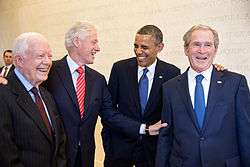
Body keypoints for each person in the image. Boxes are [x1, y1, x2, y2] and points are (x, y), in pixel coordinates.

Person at [44, 22, 167, 167]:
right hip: (54, 156)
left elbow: (110, 114)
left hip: (85, 156)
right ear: (77, 42)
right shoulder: (49, 72)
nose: (98, 48)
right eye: (94, 42)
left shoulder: (97, 79)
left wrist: (144, 129)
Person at [155, 24, 250, 167]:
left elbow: (245, 133)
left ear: (215, 49)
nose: (202, 50)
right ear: (186, 49)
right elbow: (165, 137)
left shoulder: (236, 83)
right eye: (196, 44)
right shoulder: (170, 88)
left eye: (208, 45)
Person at [102, 25, 181, 167]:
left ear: (159, 47)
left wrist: (215, 70)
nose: (138, 51)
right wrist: (109, 145)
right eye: (135, 46)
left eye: (144, 47)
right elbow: (108, 110)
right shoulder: (120, 69)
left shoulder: (172, 73)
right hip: (120, 151)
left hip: (152, 153)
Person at [0, 32, 67, 167]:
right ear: (19, 60)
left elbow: (60, 141)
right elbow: (6, 156)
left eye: (50, 56)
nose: (48, 62)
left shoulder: (46, 95)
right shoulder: (3, 94)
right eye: (41, 56)